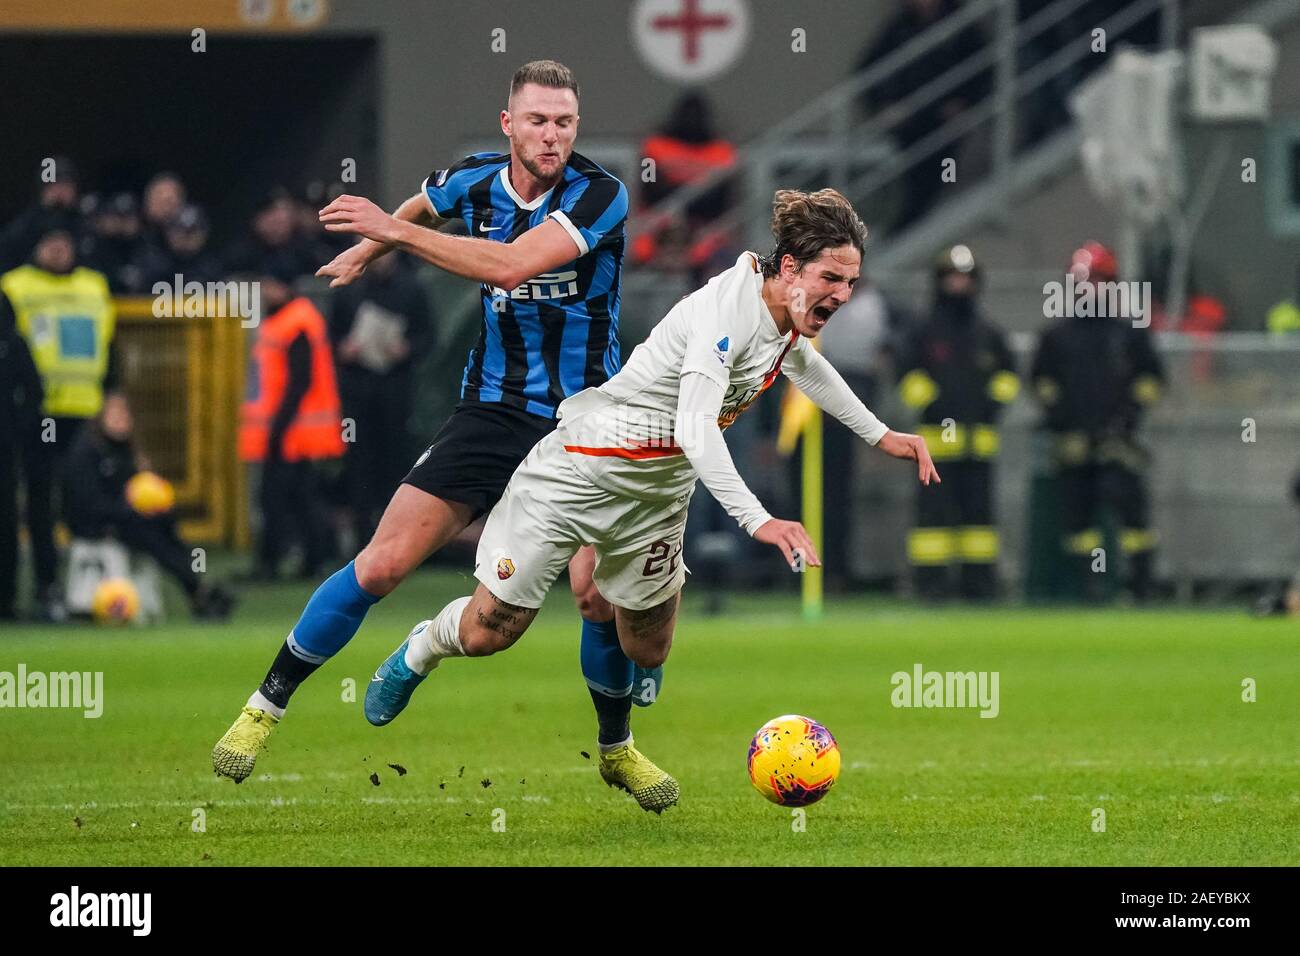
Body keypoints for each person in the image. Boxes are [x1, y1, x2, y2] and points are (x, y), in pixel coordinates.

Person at [365, 189, 938, 812]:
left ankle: (617, 748)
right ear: (792, 268)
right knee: (487, 635)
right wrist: (760, 519)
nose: (843, 295)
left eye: (852, 282)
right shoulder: (726, 312)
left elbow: (801, 363)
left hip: (656, 498)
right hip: (578, 474)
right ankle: (421, 646)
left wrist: (882, 434)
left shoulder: (784, 314)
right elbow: (695, 430)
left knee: (648, 647)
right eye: (832, 278)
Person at [212, 60, 642, 784]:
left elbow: (508, 267)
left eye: (564, 122)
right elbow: (422, 202)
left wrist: (388, 232)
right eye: (537, 120)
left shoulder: (601, 195)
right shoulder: (475, 181)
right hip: (494, 411)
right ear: (509, 125)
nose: (552, 135)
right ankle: (263, 706)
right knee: (380, 563)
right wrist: (368, 245)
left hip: (584, 422)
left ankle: (616, 750)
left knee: (596, 595)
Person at [1030, 241, 1164, 600]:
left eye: (1099, 281)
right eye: (1085, 282)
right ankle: (1088, 589)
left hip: (1120, 444)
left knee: (1133, 518)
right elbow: (1042, 385)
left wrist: (1128, 421)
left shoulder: (1129, 334)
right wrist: (1064, 426)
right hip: (1074, 445)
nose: (1091, 289)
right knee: (1079, 521)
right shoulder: (1056, 338)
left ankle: (1140, 588)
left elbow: (1151, 380)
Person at [0, 226, 119, 620]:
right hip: (31, 414)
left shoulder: (93, 286)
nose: (58, 249)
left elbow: (109, 344)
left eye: (64, 242)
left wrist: (111, 395)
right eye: (50, 241)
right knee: (34, 503)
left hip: (83, 414)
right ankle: (28, 590)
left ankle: (61, 590)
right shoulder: (16, 285)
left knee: (76, 501)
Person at [895, 245, 1018, 599]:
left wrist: (993, 404)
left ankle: (979, 585)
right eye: (952, 278)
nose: (958, 286)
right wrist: (933, 404)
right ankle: (931, 584)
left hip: (979, 444)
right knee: (932, 519)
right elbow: (906, 374)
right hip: (934, 447)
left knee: (979, 520)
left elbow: (1008, 376)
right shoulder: (923, 331)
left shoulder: (989, 334)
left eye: (965, 278)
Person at [63, 393, 235, 619]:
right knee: (149, 534)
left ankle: (197, 586)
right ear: (101, 417)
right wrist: (128, 508)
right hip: (97, 524)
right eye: (115, 414)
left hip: (126, 519)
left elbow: (143, 490)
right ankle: (196, 589)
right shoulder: (86, 452)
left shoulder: (129, 452)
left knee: (165, 522)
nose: (121, 419)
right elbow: (87, 503)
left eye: (124, 414)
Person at [237, 267, 345, 580]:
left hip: (295, 433)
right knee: (296, 498)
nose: (263, 290)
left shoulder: (296, 321)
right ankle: (309, 558)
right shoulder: (287, 320)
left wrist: (278, 429)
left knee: (283, 498)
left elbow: (299, 383)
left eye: (268, 283)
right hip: (291, 431)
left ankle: (285, 561)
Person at [329, 252, 434, 545]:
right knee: (358, 462)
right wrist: (342, 349)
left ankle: (395, 539)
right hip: (356, 391)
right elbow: (330, 336)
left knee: (395, 461)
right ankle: (363, 538)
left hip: (394, 390)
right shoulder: (348, 287)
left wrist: (407, 349)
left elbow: (428, 336)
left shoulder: (411, 287)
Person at [0, 298, 44, 619]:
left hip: (5, 448)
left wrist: (17, 429)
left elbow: (33, 392)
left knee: (6, 522)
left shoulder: (12, 344)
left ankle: (6, 599)